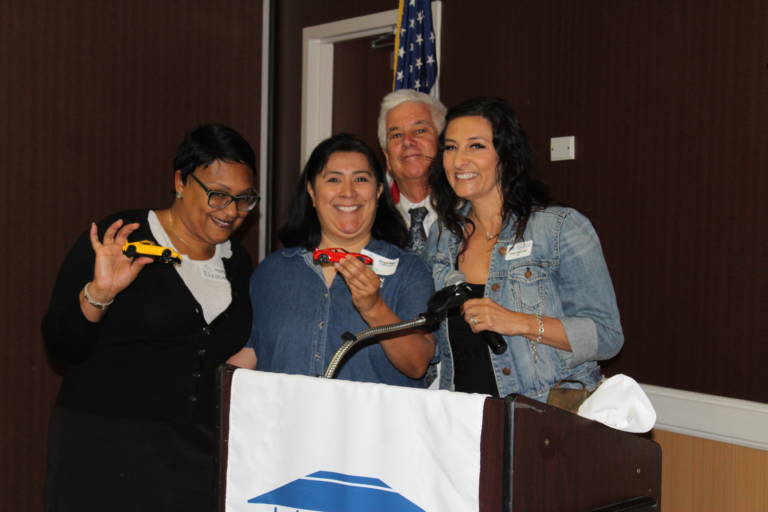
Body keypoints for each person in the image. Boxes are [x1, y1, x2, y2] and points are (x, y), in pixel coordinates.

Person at [42, 124, 259, 511]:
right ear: (180, 181)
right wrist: (99, 295)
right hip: (104, 456)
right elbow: (62, 346)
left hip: (194, 464)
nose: (231, 212)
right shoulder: (121, 239)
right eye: (218, 195)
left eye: (244, 200)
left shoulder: (238, 263)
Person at [424, 97, 624, 401]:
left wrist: (518, 322)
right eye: (451, 147)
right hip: (463, 415)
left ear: (505, 155)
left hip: (544, 417)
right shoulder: (442, 234)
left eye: (476, 146)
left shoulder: (558, 228)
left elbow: (607, 337)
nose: (459, 160)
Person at [228, 133, 435, 386]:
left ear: (379, 191)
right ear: (312, 192)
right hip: (289, 423)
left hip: (373, 425)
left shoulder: (408, 270)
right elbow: (254, 353)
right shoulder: (272, 271)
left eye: (361, 179)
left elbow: (417, 365)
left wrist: (374, 308)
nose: (348, 192)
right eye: (333, 179)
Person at [377, 89, 446, 252]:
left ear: (442, 144)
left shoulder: (470, 214)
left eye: (420, 131)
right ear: (387, 157)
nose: (407, 141)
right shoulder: (373, 223)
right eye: (396, 135)